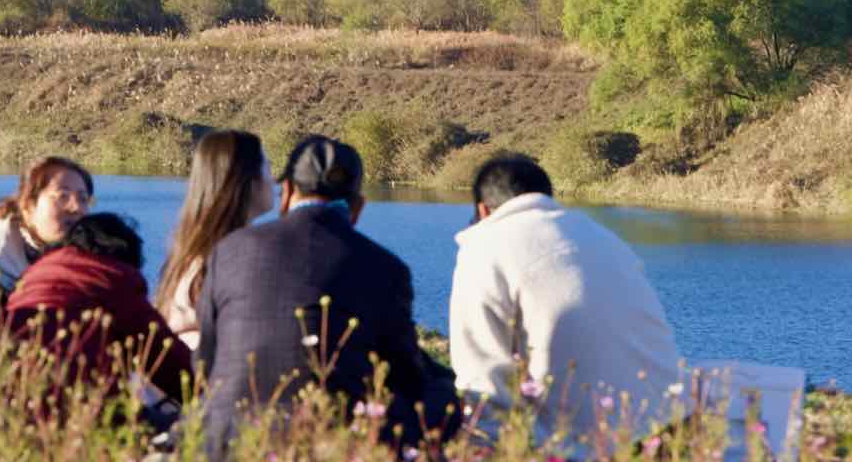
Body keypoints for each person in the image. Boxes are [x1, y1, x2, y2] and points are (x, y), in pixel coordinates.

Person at [194, 135, 457, 456]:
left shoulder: (229, 251)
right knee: (441, 393)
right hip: (333, 441)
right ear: (358, 207)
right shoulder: (386, 268)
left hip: (227, 440)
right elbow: (406, 374)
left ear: (287, 193)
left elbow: (205, 359)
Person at [449, 154, 684, 452]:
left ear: (483, 210)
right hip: (672, 431)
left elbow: (483, 378)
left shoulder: (484, 246)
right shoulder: (601, 235)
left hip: (584, 448)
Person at [4, 211, 191, 421]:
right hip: (78, 409)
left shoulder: (31, 278)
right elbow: (165, 357)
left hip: (7, 404)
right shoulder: (111, 277)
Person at [152, 130, 266, 352]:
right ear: (247, 181)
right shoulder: (219, 262)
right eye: (267, 167)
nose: (275, 181)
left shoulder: (197, 252)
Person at [0, 155, 95, 309]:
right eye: (63, 196)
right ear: (28, 206)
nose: (77, 208)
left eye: (83, 199)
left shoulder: (91, 258)